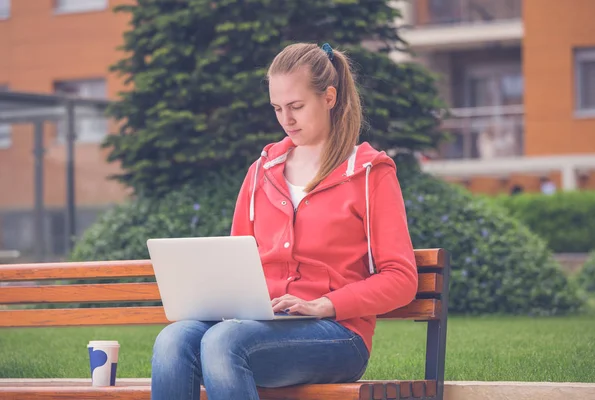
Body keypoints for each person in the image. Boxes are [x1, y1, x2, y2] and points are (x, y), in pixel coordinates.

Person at [150, 42, 418, 400]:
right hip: (257, 326)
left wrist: (327, 304)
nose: (286, 119)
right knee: (173, 340)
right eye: (277, 108)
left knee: (224, 343)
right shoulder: (261, 172)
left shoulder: (370, 174)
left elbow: (401, 279)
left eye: (296, 106)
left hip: (336, 334)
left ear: (329, 97)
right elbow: (235, 263)